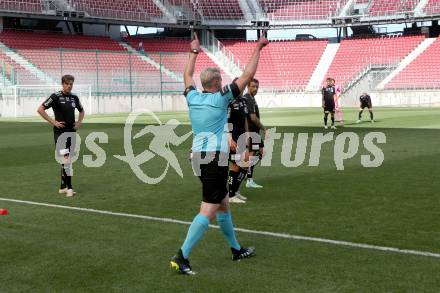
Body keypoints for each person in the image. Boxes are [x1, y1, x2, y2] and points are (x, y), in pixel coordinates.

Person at [170, 32, 268, 275]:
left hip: (199, 157)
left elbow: (186, 76)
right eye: (220, 78)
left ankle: (235, 250)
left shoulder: (192, 97)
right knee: (209, 209)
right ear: (216, 82)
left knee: (224, 204)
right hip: (213, 158)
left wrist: (194, 52)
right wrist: (258, 48)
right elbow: (246, 76)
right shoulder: (220, 99)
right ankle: (182, 255)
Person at [37, 75, 85, 197]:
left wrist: (78, 123)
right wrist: (53, 122)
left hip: (71, 132)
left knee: (67, 160)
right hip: (60, 134)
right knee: (66, 159)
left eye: (71, 84)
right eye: (67, 84)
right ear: (63, 84)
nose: (69, 86)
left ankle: (62, 187)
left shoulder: (74, 97)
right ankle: (69, 188)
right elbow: (41, 109)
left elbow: (81, 111)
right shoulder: (55, 96)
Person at [227, 78, 249, 204]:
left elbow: (245, 119)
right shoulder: (230, 101)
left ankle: (236, 191)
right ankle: (231, 195)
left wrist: (247, 134)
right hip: (234, 138)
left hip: (242, 137)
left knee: (243, 163)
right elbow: (226, 121)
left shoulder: (243, 101)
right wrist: (229, 138)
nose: (243, 88)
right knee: (235, 164)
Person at [243, 79, 265, 188]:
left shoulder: (251, 98)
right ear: (248, 86)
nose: (255, 88)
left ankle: (246, 171)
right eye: (253, 86)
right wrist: (264, 128)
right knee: (252, 154)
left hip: (254, 131)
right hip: (252, 131)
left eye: (257, 86)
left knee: (262, 152)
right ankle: (249, 179)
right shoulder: (248, 99)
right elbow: (253, 117)